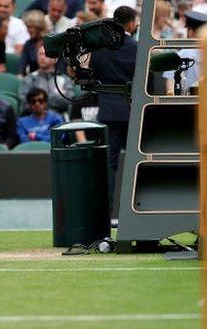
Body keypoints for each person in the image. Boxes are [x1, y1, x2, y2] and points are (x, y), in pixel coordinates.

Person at [88, 3, 136, 201]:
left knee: (110, 164)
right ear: (131, 23)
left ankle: (105, 212)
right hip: (132, 109)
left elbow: (93, 74)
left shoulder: (99, 47)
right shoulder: (136, 47)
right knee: (137, 163)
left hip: (108, 109)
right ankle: (136, 209)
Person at [19, 42, 74, 114]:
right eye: (40, 54)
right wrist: (57, 97)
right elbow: (24, 104)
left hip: (59, 120)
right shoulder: (29, 79)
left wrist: (39, 99)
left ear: (55, 58)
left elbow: (69, 103)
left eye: (46, 54)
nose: (42, 57)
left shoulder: (64, 79)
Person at [19, 10, 46, 74]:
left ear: (39, 27)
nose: (28, 30)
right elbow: (22, 66)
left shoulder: (51, 41)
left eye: (30, 27)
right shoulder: (28, 44)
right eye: (27, 27)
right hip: (33, 80)